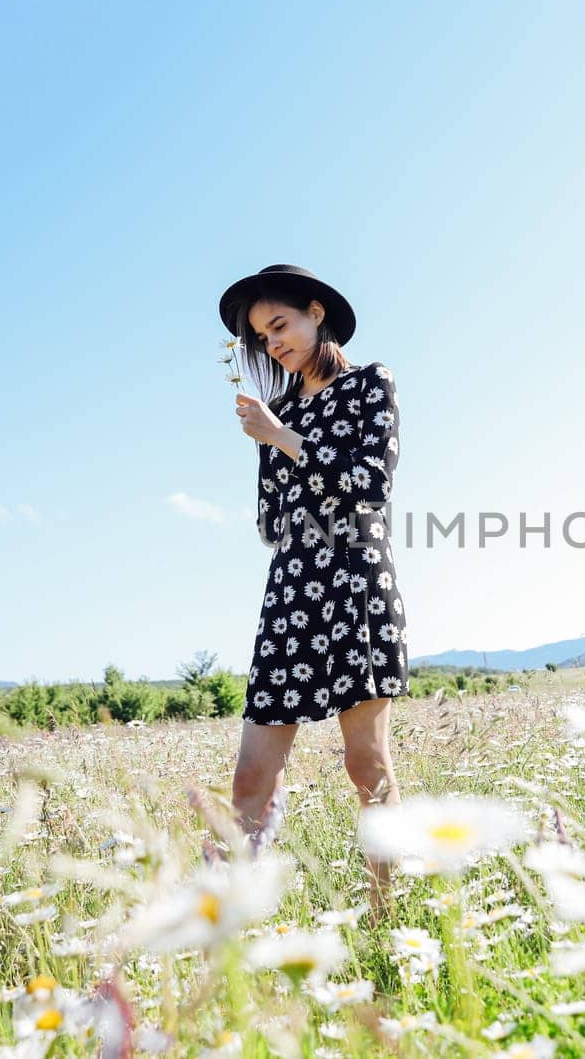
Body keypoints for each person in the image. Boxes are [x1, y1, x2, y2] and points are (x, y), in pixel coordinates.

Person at [219, 263, 412, 914]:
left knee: (367, 766)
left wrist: (287, 441)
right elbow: (271, 523)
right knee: (251, 775)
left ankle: (387, 925)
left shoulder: (369, 385)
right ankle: (232, 933)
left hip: (356, 578)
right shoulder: (279, 418)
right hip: (292, 590)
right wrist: (273, 443)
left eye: (281, 326)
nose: (275, 345)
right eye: (264, 339)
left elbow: (372, 486)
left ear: (315, 313)